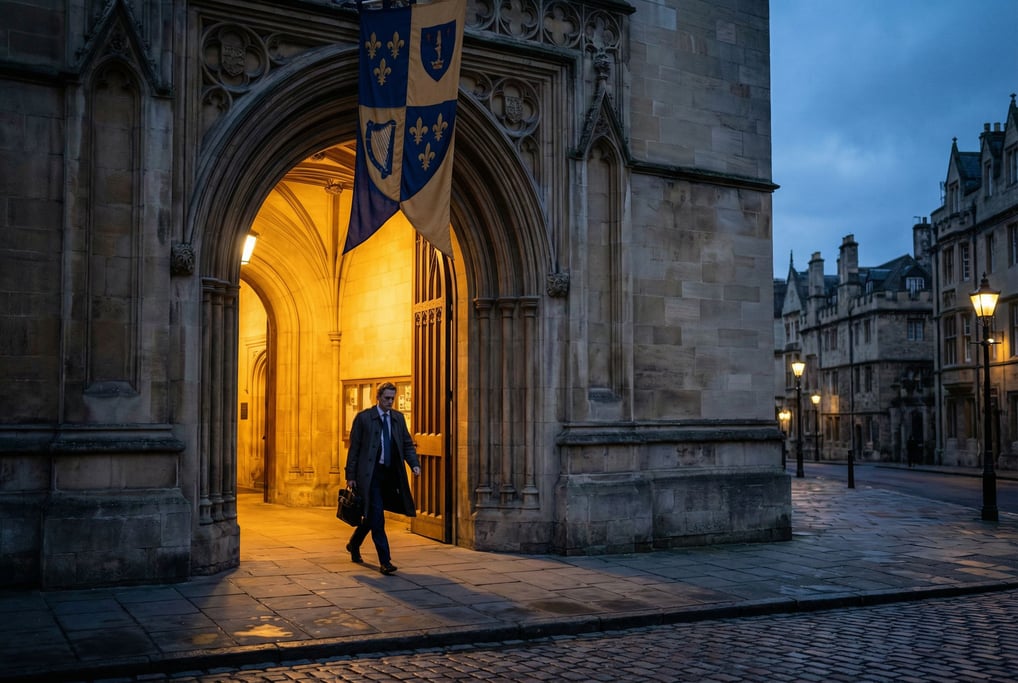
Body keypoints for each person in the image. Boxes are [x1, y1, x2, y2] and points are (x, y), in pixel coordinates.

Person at [344, 381, 421, 574]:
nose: (390, 402)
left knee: (371, 517)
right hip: (371, 477)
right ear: (378, 397)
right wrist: (350, 475)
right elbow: (354, 449)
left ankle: (353, 544)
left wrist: (414, 464)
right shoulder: (364, 418)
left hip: (390, 476)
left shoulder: (398, 418)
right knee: (378, 517)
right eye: (386, 398)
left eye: (392, 398)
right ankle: (385, 561)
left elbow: (406, 444)